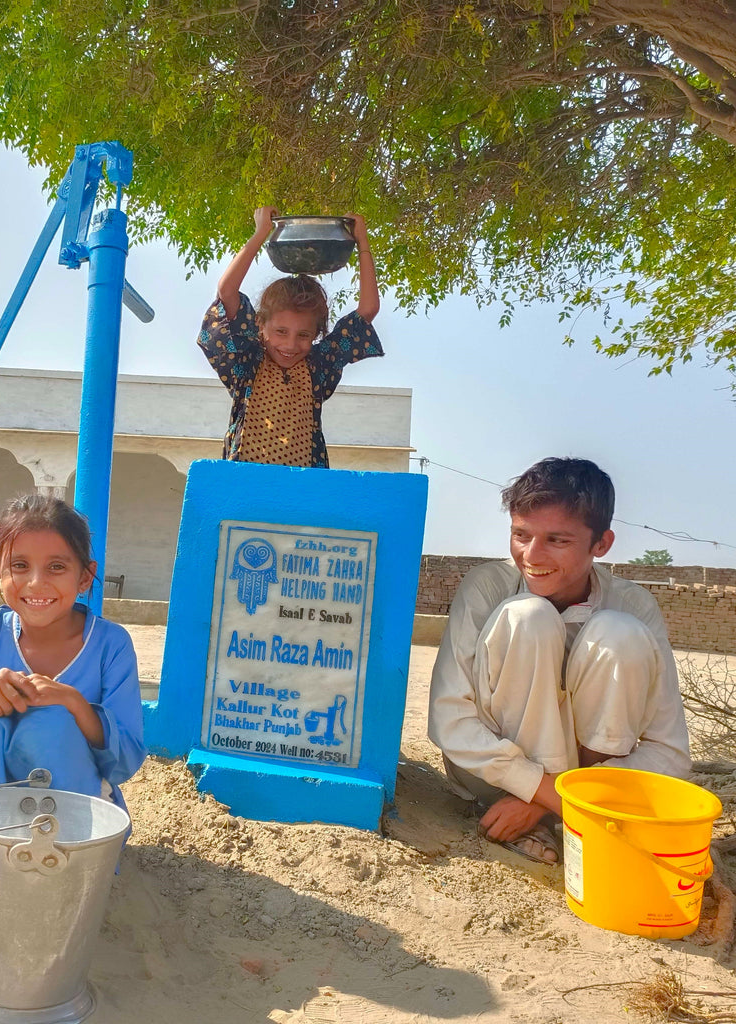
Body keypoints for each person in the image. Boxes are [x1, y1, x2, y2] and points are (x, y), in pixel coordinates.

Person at [427, 458, 690, 865]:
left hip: (595, 790)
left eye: (557, 540)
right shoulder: (487, 588)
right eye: (520, 534)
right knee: (527, 616)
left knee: (618, 633)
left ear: (601, 544)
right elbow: (450, 722)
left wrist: (554, 799)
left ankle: (556, 817)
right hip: (493, 782)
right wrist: (542, 789)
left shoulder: (635, 606)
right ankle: (578, 819)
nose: (532, 555)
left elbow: (669, 753)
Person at [0, 495, 145, 816]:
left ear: (84, 577)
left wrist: (75, 706)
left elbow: (128, 757)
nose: (37, 583)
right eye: (20, 566)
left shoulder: (110, 645)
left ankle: (59, 849)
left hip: (72, 827)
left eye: (56, 567)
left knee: (48, 728)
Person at [197, 205, 383, 468]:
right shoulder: (246, 363)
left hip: (303, 492)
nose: (290, 345)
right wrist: (261, 233)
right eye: (280, 332)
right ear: (260, 325)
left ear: (318, 334)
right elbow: (227, 291)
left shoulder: (319, 367)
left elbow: (368, 309)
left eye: (304, 335)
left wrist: (362, 241)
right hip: (246, 488)